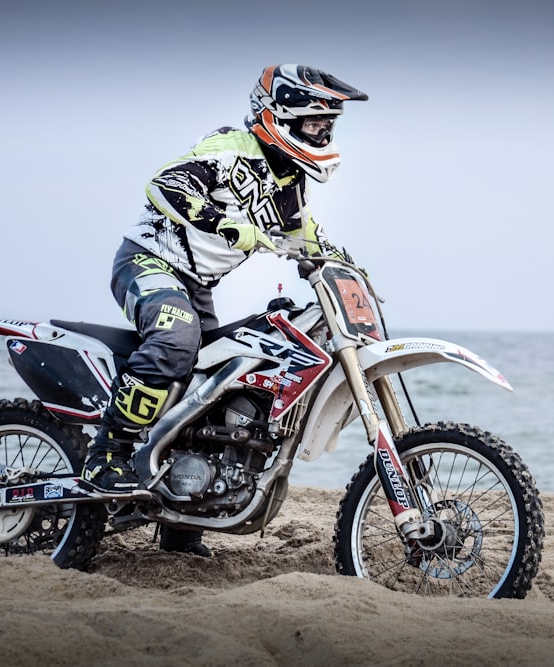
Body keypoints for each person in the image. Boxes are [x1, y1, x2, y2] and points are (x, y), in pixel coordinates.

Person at [82, 64, 368, 556]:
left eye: (328, 124)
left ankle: (180, 521)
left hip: (196, 285)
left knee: (222, 382)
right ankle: (105, 453)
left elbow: (306, 240)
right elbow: (162, 187)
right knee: (175, 340)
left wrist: (346, 265)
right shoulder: (228, 150)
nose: (323, 132)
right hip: (148, 262)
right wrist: (225, 224)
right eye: (315, 122)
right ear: (281, 115)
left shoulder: (289, 182)